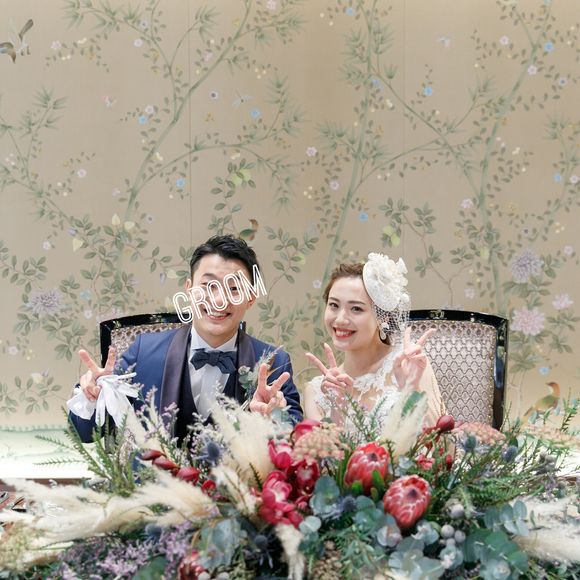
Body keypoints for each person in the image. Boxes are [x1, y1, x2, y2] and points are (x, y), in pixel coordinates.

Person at [70, 235, 303, 443]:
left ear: (250, 298)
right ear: (190, 289)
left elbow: (295, 440)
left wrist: (274, 418)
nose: (218, 299)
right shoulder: (144, 352)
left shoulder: (274, 363)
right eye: (208, 285)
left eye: (234, 288)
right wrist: (93, 397)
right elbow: (85, 433)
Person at [303, 254, 445, 431]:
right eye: (334, 305)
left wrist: (411, 389)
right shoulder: (317, 392)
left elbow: (442, 444)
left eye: (356, 308)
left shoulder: (408, 365)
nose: (340, 319)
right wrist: (337, 410)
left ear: (382, 316)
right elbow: (324, 450)